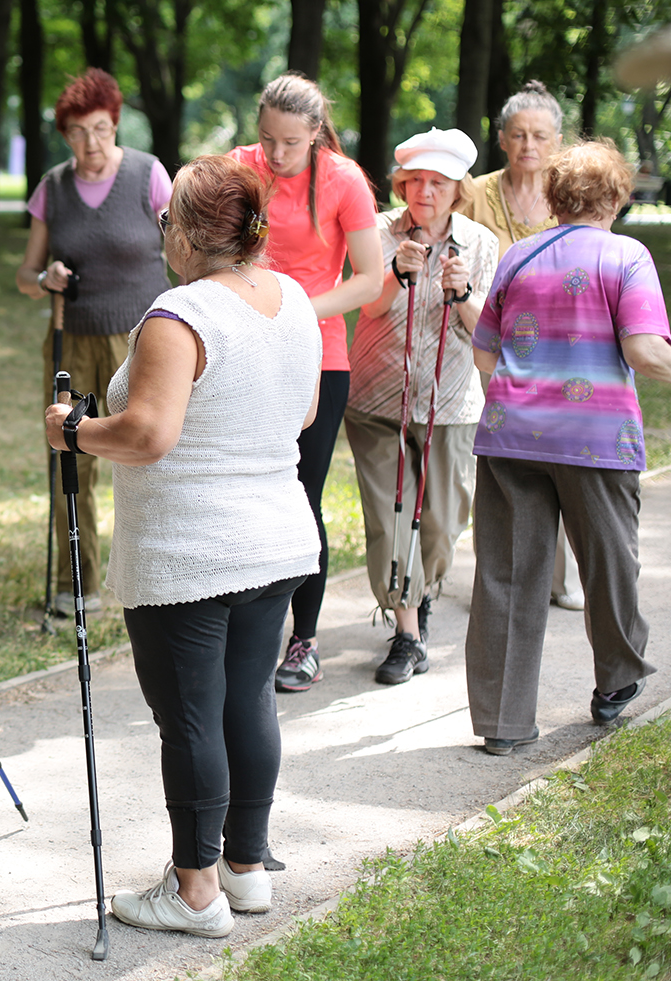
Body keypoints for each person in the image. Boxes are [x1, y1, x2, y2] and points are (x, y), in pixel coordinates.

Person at [46, 155, 320, 937]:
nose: (158, 230)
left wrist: (74, 430)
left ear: (194, 234)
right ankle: (246, 864)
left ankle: (194, 890)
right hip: (274, 539)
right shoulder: (293, 297)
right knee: (247, 703)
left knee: (191, 720)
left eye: (166, 220)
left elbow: (147, 435)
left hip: (190, 552)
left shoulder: (180, 314)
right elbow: (300, 413)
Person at [465, 140, 670, 755]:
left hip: (511, 435)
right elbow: (644, 350)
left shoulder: (518, 256)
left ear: (555, 198)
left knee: (505, 573)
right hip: (596, 441)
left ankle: (503, 724)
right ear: (615, 198)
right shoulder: (627, 256)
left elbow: (483, 350)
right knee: (609, 562)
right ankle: (616, 684)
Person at [227, 72, 384, 693]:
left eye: (291, 142)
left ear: (317, 134)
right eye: (268, 138)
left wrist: (293, 309)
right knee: (239, 493)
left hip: (317, 355)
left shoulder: (344, 181)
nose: (277, 154)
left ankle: (304, 638)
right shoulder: (238, 167)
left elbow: (369, 280)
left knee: (301, 498)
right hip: (240, 349)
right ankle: (241, 634)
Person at [15, 68, 172, 617]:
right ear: (65, 135)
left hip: (142, 343)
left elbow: (183, 250)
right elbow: (25, 274)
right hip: (73, 341)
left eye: (102, 129)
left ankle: (158, 577)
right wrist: (44, 279)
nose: (92, 143)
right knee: (70, 458)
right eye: (79, 132)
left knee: (149, 455)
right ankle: (75, 584)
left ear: (116, 125)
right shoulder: (53, 188)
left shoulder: (149, 176)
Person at [347, 129, 498, 685]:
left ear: (457, 189)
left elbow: (487, 336)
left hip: (451, 401)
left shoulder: (481, 244)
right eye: (414, 181)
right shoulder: (381, 232)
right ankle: (407, 631)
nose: (423, 192)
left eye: (437, 183)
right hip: (377, 398)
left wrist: (462, 294)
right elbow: (368, 304)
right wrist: (395, 273)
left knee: (440, 522)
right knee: (390, 520)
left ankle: (421, 591)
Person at [459, 81, 586, 612]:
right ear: (503, 140)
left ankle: (559, 577)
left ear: (556, 141)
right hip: (486, 344)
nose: (529, 144)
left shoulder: (571, 196)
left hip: (558, 349)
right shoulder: (475, 192)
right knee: (499, 467)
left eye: (540, 135)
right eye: (518, 135)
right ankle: (499, 578)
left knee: (557, 457)